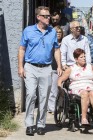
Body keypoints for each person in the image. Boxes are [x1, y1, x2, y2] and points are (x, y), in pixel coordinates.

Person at [18, 6, 62, 136]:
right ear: (38, 17)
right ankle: (29, 124)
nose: (49, 18)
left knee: (44, 97)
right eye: (46, 16)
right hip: (30, 66)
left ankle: (41, 124)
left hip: (46, 68)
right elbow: (22, 49)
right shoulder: (28, 31)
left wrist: (59, 65)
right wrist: (20, 67)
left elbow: (56, 50)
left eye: (49, 16)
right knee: (31, 95)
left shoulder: (52, 32)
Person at [57, 48, 93, 125]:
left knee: (92, 93)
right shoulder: (71, 69)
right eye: (81, 57)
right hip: (77, 88)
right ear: (76, 59)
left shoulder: (90, 67)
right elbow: (60, 79)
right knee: (85, 93)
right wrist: (60, 89)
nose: (84, 58)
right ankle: (84, 118)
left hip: (91, 86)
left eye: (84, 56)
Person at [48, 26, 64, 114]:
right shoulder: (50, 42)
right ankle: (52, 107)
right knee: (53, 89)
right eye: (56, 32)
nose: (58, 34)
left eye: (59, 32)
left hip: (62, 69)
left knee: (61, 89)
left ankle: (60, 106)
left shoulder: (64, 43)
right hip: (52, 67)